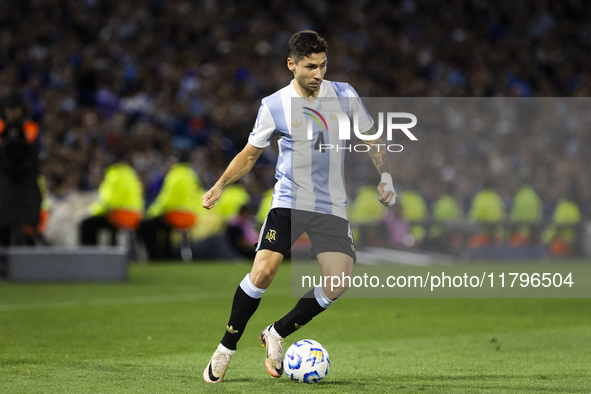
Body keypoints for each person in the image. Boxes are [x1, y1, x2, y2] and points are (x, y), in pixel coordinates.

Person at [201, 30, 397, 383]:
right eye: (310, 67)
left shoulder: (344, 94)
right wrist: (219, 185)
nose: (318, 74)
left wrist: (385, 176)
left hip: (331, 205)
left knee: (338, 281)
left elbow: (371, 136)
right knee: (263, 272)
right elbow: (250, 155)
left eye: (323, 65)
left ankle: (276, 333)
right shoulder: (274, 105)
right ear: (291, 65)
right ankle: (226, 348)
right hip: (290, 200)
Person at [138, 149, 202, 260]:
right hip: (192, 216)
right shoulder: (192, 175)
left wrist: (150, 213)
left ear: (176, 162)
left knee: (146, 226)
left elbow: (166, 200)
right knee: (163, 227)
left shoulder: (174, 175)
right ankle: (168, 255)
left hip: (177, 216)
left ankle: (154, 257)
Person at [0, 94, 42, 246]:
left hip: (25, 183)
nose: (13, 112)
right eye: (10, 109)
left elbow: (34, 155)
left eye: (16, 109)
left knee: (24, 233)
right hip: (3, 182)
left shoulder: (31, 127)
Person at [79, 150, 144, 245]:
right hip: (135, 216)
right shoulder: (131, 174)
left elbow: (108, 202)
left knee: (87, 224)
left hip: (119, 216)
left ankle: (91, 256)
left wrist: (93, 212)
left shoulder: (113, 174)